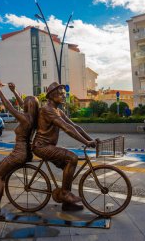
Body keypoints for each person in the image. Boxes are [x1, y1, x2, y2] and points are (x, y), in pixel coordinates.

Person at [33, 82, 97, 211]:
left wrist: (91, 140)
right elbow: (67, 128)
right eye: (61, 94)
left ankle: (66, 203)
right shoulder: (47, 109)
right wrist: (86, 142)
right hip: (42, 147)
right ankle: (64, 194)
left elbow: (75, 126)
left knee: (69, 167)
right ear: (51, 95)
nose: (64, 96)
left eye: (64, 94)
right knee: (72, 158)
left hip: (49, 146)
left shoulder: (58, 111)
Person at [0, 81, 39, 218]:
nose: (23, 104)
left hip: (19, 153)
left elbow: (9, 106)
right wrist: (14, 91)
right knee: (3, 164)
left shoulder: (25, 119)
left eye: (26, 103)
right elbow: (22, 104)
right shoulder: (33, 118)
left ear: (28, 106)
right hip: (25, 152)